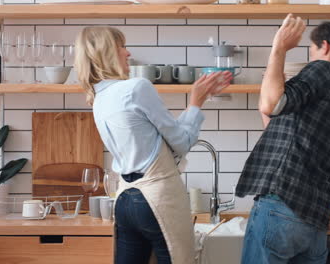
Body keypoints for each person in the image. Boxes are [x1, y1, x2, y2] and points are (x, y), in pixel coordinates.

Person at [74, 26, 233, 264]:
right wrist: (196, 102)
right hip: (157, 200)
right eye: (122, 47)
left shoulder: (98, 99)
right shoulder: (136, 87)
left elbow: (163, 141)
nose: (128, 53)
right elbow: (182, 142)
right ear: (108, 53)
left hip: (126, 201)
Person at [236, 14, 330, 264]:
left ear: (324, 46)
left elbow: (271, 102)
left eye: (311, 50)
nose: (311, 57)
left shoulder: (323, 69)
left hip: (282, 204)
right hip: (314, 219)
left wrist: (279, 48)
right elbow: (282, 121)